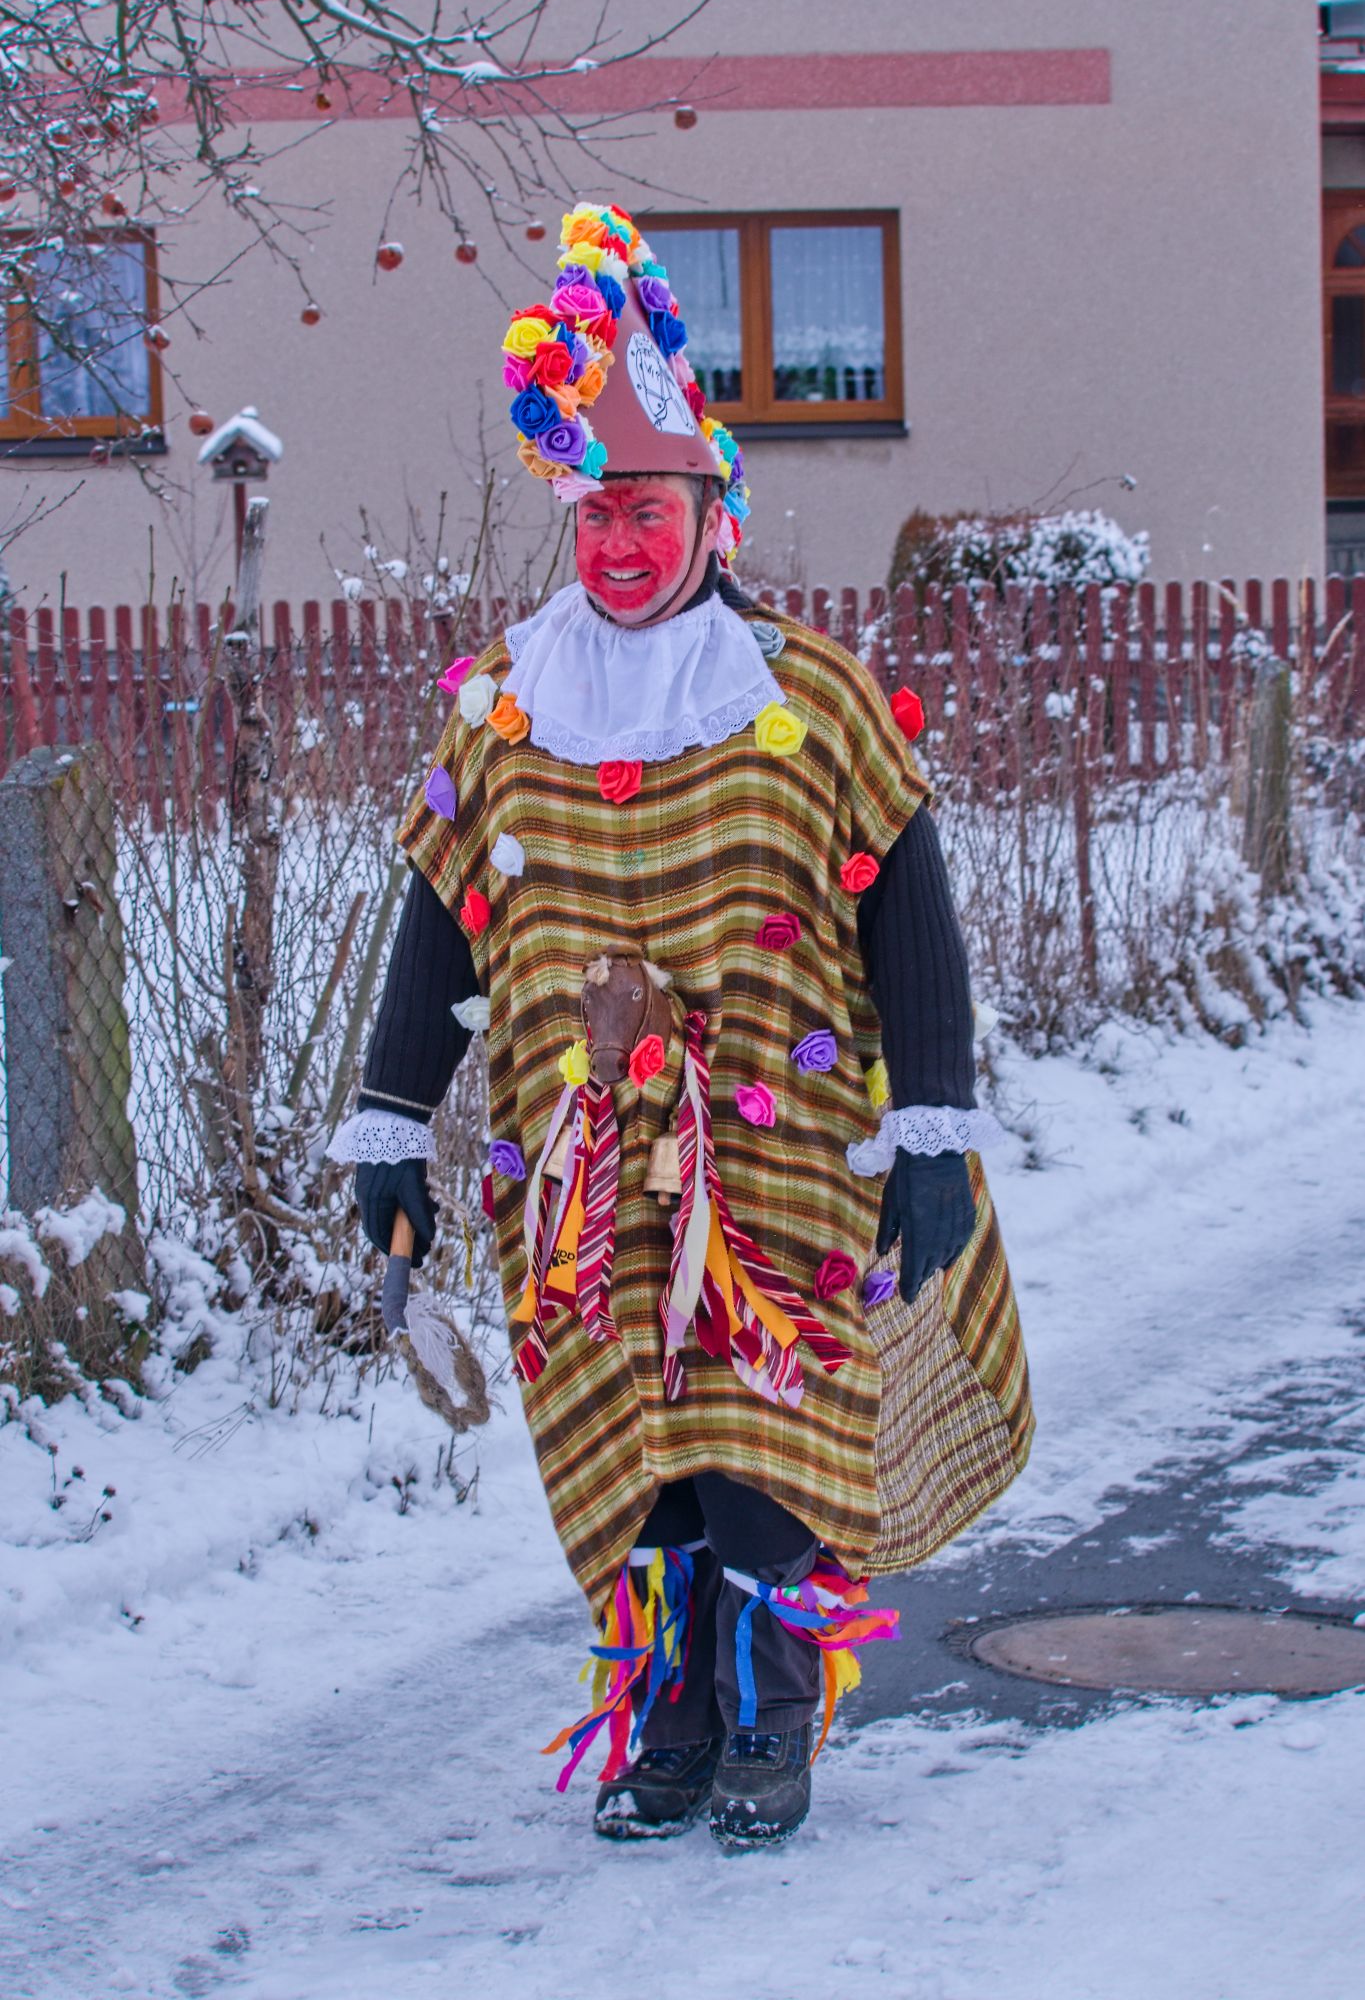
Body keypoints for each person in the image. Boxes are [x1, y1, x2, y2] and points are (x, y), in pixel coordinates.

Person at [329, 203, 1033, 1849]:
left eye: (645, 511)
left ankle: (771, 1721)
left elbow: (906, 915)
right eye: (594, 515)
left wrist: (931, 1128)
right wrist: (390, 1123)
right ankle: (667, 1718)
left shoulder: (810, 696)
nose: (617, 544)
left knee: (755, 1449)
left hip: (777, 1157)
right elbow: (439, 920)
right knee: (636, 1461)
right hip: (576, 1169)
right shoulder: (503, 705)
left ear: (713, 515)